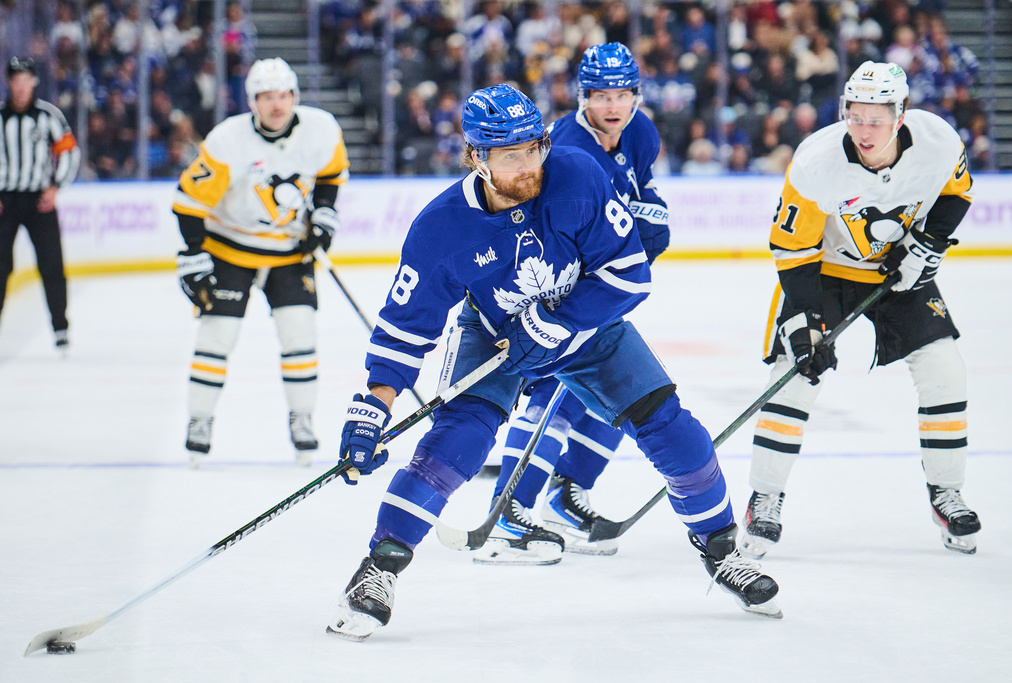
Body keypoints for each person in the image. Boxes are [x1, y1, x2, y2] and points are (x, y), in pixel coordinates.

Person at [326, 84, 781, 643]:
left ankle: (721, 551)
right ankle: (379, 568)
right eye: (510, 155)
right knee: (454, 445)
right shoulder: (440, 227)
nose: (529, 166)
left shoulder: (576, 175)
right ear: (476, 157)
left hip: (589, 329)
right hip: (495, 336)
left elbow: (630, 273)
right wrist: (374, 406)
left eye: (534, 147)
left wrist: (559, 322)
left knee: (676, 431)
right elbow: (405, 329)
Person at [740, 61, 981, 559]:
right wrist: (804, 321)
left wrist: (928, 243)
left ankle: (946, 492)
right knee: (794, 375)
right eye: (856, 116)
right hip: (824, 273)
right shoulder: (817, 161)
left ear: (901, 114)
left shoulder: (937, 140)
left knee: (945, 371)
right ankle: (764, 497)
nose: (864, 129)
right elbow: (793, 249)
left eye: (876, 118)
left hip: (900, 273)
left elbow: (957, 194)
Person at [479, 42, 670, 563]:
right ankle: (509, 507)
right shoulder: (566, 144)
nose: (612, 105)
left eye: (622, 93)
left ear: (636, 95)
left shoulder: (641, 132)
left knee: (611, 394)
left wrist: (650, 213)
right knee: (550, 397)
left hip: (607, 287)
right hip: (559, 289)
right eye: (600, 94)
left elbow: (643, 194)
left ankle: (567, 495)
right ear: (583, 96)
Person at [172, 57, 349, 468]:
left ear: (295, 97)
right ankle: (200, 420)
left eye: (284, 95)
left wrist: (323, 216)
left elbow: (331, 177)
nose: (277, 104)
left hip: (289, 253)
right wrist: (194, 255)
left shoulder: (321, 129)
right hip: (230, 249)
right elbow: (188, 202)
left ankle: (302, 419)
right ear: (252, 101)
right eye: (267, 96)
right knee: (218, 336)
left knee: (300, 335)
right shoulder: (227, 141)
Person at [0, 57, 80, 350]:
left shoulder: (48, 115)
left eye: (26, 80)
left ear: (33, 82)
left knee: (51, 264)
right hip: (4, 200)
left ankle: (60, 327)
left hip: (39, 200)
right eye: (15, 80)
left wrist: (55, 187)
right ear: (9, 83)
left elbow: (70, 152)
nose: (20, 87)